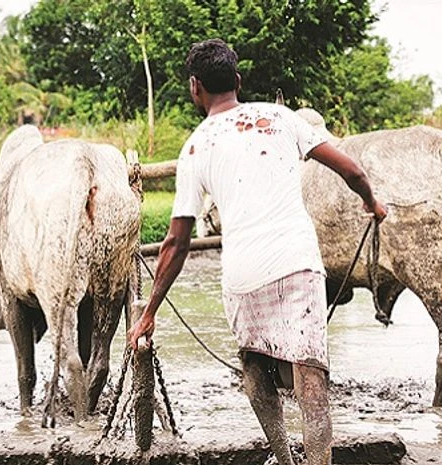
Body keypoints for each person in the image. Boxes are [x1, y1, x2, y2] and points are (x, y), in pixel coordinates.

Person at [128, 39, 387, 465]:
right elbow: (352, 170)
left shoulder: (195, 147)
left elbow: (177, 242)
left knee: (254, 367)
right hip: (297, 261)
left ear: (195, 88)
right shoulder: (280, 118)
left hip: (243, 272)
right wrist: (371, 203)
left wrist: (150, 310)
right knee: (312, 376)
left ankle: (284, 459)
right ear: (238, 80)